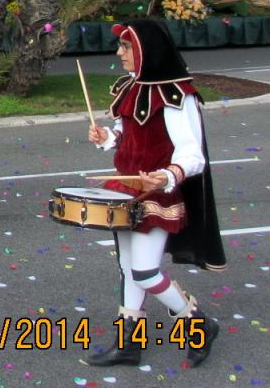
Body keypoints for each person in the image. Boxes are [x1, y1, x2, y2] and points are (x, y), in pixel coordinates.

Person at [84, 20, 225, 368]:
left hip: (158, 195)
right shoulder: (129, 88)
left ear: (147, 49)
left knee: (145, 271)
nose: (119, 53)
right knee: (127, 268)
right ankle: (129, 343)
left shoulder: (176, 95)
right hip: (126, 192)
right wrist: (108, 139)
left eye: (126, 46)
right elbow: (126, 137)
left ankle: (198, 323)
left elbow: (192, 154)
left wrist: (165, 177)